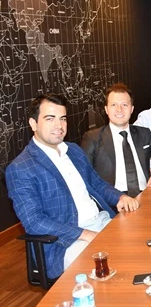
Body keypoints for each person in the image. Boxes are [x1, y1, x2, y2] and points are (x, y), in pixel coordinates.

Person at [6, 94, 139, 279]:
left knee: (140, 245)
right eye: (50, 119)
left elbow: (96, 183)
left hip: (100, 222)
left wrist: (120, 197)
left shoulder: (73, 151)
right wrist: (84, 234)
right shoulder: (21, 168)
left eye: (62, 118)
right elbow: (34, 221)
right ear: (33, 123)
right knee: (113, 269)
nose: (59, 125)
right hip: (64, 243)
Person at [81, 84, 151, 197]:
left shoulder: (143, 134)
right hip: (114, 200)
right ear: (106, 109)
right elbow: (85, 176)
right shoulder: (93, 138)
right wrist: (117, 198)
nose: (119, 110)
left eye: (124, 105)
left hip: (145, 196)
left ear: (132, 109)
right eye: (114, 105)